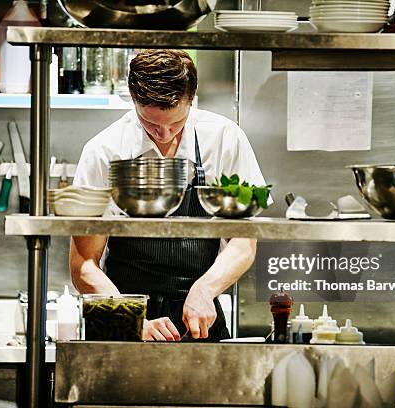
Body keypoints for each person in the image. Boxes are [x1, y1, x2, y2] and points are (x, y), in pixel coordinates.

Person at [70, 49, 270, 342]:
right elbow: (84, 264)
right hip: (125, 314)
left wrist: (205, 291)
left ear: (192, 100)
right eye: (150, 124)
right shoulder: (104, 150)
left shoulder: (226, 139)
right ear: (133, 100)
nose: (163, 135)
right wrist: (130, 315)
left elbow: (243, 242)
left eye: (175, 123)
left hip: (200, 313)